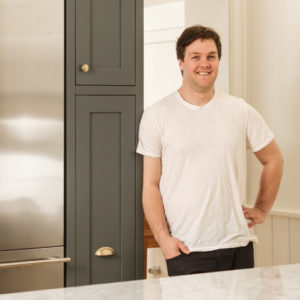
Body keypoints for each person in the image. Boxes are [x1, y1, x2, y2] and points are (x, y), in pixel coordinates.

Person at [137, 25, 284, 276]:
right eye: (195, 57)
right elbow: (151, 185)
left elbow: (274, 159)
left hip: (238, 245)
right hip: (186, 249)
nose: (204, 64)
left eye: (211, 56)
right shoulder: (156, 115)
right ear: (181, 62)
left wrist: (261, 208)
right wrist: (163, 239)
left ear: (218, 61)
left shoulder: (239, 110)